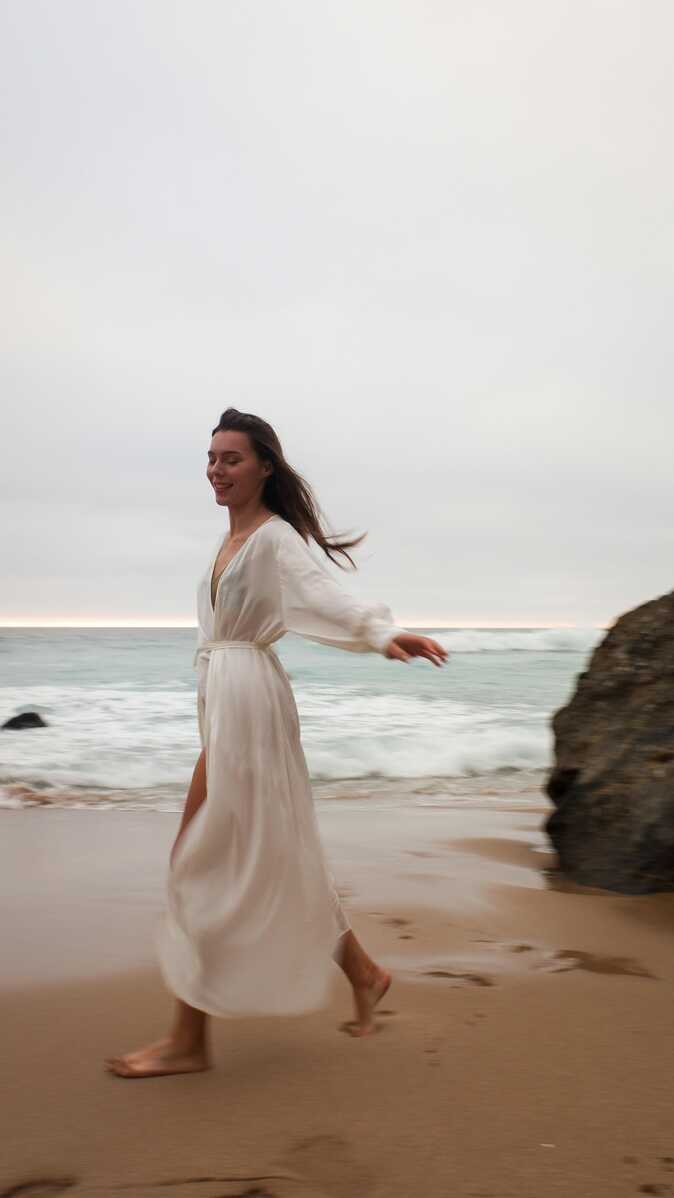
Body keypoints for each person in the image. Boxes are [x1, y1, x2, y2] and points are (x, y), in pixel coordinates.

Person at [104, 408, 447, 1078]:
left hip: (250, 704)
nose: (217, 470)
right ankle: (364, 971)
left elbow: (326, 595)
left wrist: (381, 635)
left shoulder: (272, 539)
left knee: (198, 862)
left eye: (231, 458)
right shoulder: (229, 542)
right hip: (226, 700)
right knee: (266, 852)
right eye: (211, 458)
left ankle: (187, 1041)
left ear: (264, 466)